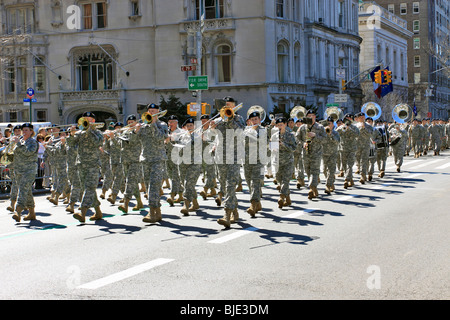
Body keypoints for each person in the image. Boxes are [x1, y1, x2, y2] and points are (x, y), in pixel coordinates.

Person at [211, 96, 245, 228]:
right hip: (220, 156)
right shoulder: (219, 119)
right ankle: (234, 211)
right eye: (225, 105)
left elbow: (240, 132)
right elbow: (215, 136)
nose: (227, 107)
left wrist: (229, 119)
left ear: (234, 107)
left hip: (234, 156)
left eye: (230, 105)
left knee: (230, 184)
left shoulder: (239, 119)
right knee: (224, 186)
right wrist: (212, 128)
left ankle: (227, 214)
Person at [137, 103, 169, 224]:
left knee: (154, 186)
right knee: (148, 185)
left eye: (154, 111)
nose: (151, 113)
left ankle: (152, 211)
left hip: (158, 158)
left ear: (158, 112)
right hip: (145, 159)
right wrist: (135, 130)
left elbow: (161, 137)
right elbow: (134, 141)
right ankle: (157, 212)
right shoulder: (144, 126)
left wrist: (153, 124)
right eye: (150, 111)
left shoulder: (162, 125)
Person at [72, 112, 105, 223]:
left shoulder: (98, 132)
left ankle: (83, 212)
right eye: (85, 119)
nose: (87, 121)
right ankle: (98, 211)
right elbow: (71, 145)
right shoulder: (80, 133)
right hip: (81, 163)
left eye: (89, 119)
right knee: (86, 188)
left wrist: (90, 131)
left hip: (93, 164)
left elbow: (98, 143)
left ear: (93, 121)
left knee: (90, 188)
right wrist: (71, 135)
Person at [12, 123, 39, 222]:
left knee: (23, 190)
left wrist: (18, 144)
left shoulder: (33, 142)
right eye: (23, 130)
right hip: (19, 170)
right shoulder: (21, 141)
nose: (24, 132)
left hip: (29, 170)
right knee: (27, 192)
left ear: (31, 131)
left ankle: (17, 211)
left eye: (26, 130)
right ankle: (32, 213)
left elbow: (28, 153)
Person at [296, 110, 326, 200]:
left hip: (316, 152)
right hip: (305, 153)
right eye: (309, 115)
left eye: (313, 115)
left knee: (315, 171)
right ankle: (314, 188)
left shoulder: (320, 127)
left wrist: (315, 136)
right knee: (308, 171)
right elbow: (297, 139)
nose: (311, 117)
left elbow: (325, 139)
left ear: (315, 117)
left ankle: (311, 187)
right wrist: (303, 143)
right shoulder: (302, 127)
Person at [118, 117, 144, 214]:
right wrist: (114, 136)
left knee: (130, 181)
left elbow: (133, 140)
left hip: (135, 160)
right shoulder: (124, 131)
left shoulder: (139, 131)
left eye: (132, 122)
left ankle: (125, 203)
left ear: (136, 123)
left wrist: (135, 130)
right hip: (125, 160)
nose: (130, 124)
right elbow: (118, 145)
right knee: (131, 182)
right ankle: (139, 202)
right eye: (128, 122)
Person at [243, 110, 267, 217]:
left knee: (255, 182)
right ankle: (258, 202)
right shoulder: (246, 130)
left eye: (256, 119)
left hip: (258, 160)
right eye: (252, 120)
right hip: (247, 160)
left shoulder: (263, 130)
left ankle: (253, 205)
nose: (254, 121)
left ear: (260, 120)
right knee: (249, 182)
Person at [178, 118, 202, 216]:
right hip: (183, 162)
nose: (189, 127)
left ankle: (186, 205)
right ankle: (195, 203)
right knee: (186, 183)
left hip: (194, 162)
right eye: (187, 126)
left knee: (188, 183)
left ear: (194, 127)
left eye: (191, 126)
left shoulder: (197, 136)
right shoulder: (182, 136)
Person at [274, 117, 297, 206]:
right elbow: (271, 148)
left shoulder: (290, 135)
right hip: (278, 162)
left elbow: (294, 148)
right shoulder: (274, 135)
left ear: (285, 125)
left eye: (281, 125)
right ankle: (288, 198)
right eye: (278, 125)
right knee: (279, 180)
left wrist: (283, 144)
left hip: (288, 161)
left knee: (286, 180)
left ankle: (282, 197)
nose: (280, 127)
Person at [336, 114, 360, 189]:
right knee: (344, 165)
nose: (348, 120)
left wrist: (349, 128)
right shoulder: (340, 127)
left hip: (352, 149)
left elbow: (357, 135)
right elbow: (335, 135)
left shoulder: (354, 127)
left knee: (349, 165)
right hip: (343, 149)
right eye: (347, 118)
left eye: (350, 118)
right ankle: (351, 179)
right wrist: (342, 127)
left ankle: (346, 179)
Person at [322, 116, 340, 194]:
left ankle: (328, 186)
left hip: (333, 153)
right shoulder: (323, 132)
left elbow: (337, 142)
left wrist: (331, 134)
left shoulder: (336, 133)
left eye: (329, 123)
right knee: (324, 170)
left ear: (333, 124)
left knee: (331, 170)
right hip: (324, 153)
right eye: (327, 123)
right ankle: (331, 182)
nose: (328, 125)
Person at [354, 112, 374, 184]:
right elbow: (354, 135)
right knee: (358, 160)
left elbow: (370, 134)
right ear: (358, 118)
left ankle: (363, 175)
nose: (362, 118)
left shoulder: (368, 126)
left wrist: (364, 128)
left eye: (363, 117)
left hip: (365, 146)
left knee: (364, 160)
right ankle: (361, 171)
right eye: (360, 117)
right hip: (357, 145)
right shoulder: (355, 126)